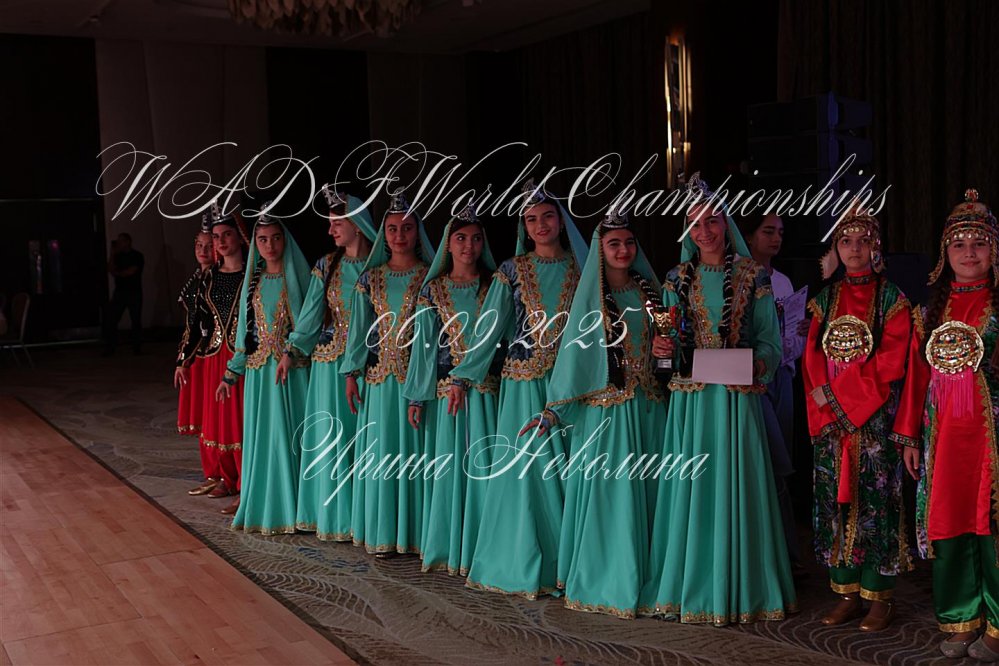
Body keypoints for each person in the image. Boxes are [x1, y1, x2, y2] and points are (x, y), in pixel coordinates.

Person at [640, 173, 796, 625]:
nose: (705, 231)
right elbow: (665, 345)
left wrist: (757, 365)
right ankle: (691, 585)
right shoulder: (675, 279)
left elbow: (769, 341)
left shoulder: (752, 276)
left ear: (725, 222)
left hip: (734, 401)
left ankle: (741, 587)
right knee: (695, 489)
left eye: (712, 220)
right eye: (695, 223)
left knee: (736, 486)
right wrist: (661, 348)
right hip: (692, 404)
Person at [523, 205, 666, 618]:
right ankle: (609, 578)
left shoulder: (651, 294)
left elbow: (667, 351)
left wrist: (666, 353)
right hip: (606, 418)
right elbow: (573, 360)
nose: (623, 250)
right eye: (613, 243)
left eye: (629, 242)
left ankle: (649, 575)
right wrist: (552, 412)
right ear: (600, 249)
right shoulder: (590, 300)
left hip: (648, 411)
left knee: (650, 495)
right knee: (612, 498)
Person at [450, 179, 589, 599]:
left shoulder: (584, 268)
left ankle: (571, 565)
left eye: (547, 216)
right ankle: (529, 562)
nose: (540, 225)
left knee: (570, 471)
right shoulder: (511, 271)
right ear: (523, 227)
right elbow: (489, 329)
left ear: (561, 221)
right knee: (528, 477)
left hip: (571, 386)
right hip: (525, 384)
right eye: (531, 219)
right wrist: (462, 376)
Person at [892, 189, 999, 660]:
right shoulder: (929, 312)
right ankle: (961, 617)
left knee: (991, 525)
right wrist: (910, 437)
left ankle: (997, 622)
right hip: (945, 439)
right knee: (951, 524)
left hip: (991, 439)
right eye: (959, 244)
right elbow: (916, 378)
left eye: (979, 243)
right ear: (944, 253)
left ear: (994, 251)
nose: (969, 253)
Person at [802, 201, 913, 631]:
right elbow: (812, 359)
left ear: (876, 247)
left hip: (875, 419)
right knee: (834, 503)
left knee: (876, 503)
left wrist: (840, 399)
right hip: (832, 423)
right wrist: (826, 408)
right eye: (845, 241)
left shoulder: (892, 299)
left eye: (862, 241)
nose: (853, 249)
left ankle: (879, 596)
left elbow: (892, 362)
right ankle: (846, 592)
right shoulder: (824, 299)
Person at [403, 201, 499, 575]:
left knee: (487, 468)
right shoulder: (433, 291)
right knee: (450, 470)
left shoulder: (495, 285)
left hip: (489, 392)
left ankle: (483, 549)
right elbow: (424, 348)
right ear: (448, 243)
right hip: (447, 397)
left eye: (475, 239)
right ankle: (449, 547)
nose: (468, 246)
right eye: (460, 238)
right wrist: (416, 395)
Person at [340, 191, 434, 557]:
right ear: (383, 233)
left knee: (415, 455)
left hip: (417, 382)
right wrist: (351, 373)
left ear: (417, 232)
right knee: (381, 452)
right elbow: (359, 332)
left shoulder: (430, 277)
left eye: (407, 228)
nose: (399, 236)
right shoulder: (370, 279)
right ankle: (382, 532)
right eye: (392, 229)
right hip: (378, 383)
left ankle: (414, 534)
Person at [278, 187, 375, 540]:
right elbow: (310, 315)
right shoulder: (327, 265)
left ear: (357, 224)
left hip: (367, 368)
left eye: (337, 223)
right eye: (330, 223)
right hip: (327, 368)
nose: (330, 230)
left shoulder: (378, 266)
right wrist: (291, 351)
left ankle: (364, 519)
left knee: (363, 440)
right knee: (332, 439)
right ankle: (334, 517)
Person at [216, 203, 311, 534]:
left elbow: (309, 323)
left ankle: (298, 509)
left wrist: (292, 351)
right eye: (263, 240)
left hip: (291, 374)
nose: (270, 246)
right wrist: (232, 373)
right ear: (255, 243)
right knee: (264, 442)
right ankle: (267, 506)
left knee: (292, 439)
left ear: (285, 240)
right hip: (260, 375)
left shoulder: (299, 278)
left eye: (275, 238)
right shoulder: (253, 281)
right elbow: (246, 333)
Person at [741, 212, 808, 572]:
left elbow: (790, 340)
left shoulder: (782, 281)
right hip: (748, 378)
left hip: (781, 377)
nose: (776, 238)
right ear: (749, 235)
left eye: (780, 232)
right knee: (757, 463)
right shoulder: (737, 277)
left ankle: (786, 554)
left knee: (781, 466)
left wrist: (801, 334)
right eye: (768, 231)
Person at [193, 203, 248, 515]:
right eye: (216, 237)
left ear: (239, 236)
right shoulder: (210, 277)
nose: (221, 242)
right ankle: (227, 477)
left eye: (227, 235)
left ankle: (246, 484)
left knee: (240, 420)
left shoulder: (253, 274)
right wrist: (185, 358)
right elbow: (196, 318)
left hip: (241, 355)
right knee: (219, 420)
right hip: (215, 355)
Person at [103, 232, 144, 355]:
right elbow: (110, 269)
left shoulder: (137, 256)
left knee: (135, 320)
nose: (119, 243)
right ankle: (110, 348)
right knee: (112, 318)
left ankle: (136, 348)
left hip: (134, 292)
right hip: (120, 292)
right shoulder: (117, 256)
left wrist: (118, 274)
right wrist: (112, 254)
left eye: (121, 241)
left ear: (128, 242)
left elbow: (131, 271)